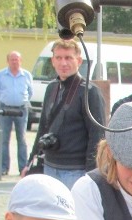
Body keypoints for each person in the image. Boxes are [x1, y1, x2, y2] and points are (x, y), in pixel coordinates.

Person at [28, 39, 105, 190]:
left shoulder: (89, 91)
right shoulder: (52, 88)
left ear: (79, 61)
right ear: (53, 61)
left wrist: (91, 174)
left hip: (76, 170)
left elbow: (97, 136)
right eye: (59, 58)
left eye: (68, 58)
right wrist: (31, 159)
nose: (63, 63)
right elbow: (43, 127)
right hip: (50, 165)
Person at [0, 50, 33, 176]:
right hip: (5, 110)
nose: (14, 62)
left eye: (16, 59)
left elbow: (30, 92)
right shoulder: (1, 75)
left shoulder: (26, 75)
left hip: (21, 110)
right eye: (12, 59)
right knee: (4, 139)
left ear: (20, 61)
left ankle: (23, 168)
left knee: (21, 139)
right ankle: (3, 168)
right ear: (8, 61)